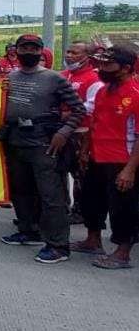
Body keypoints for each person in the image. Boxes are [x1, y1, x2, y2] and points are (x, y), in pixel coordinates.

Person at [0, 34, 86, 264]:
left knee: (51, 196)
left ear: (41, 52)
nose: (28, 51)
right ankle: (29, 231)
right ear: (16, 50)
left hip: (44, 144)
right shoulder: (9, 77)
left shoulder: (54, 79)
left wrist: (63, 133)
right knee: (21, 190)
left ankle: (58, 245)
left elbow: (79, 110)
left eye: (33, 48)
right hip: (15, 140)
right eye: (24, 47)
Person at [71, 46, 139, 269]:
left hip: (123, 160)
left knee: (122, 208)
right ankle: (93, 240)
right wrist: (84, 151)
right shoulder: (102, 91)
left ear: (126, 68)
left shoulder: (135, 94)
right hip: (96, 156)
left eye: (108, 64)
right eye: (101, 63)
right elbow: (94, 124)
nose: (101, 68)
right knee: (91, 199)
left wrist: (129, 170)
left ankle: (122, 253)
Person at [61, 41, 102, 224]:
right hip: (62, 132)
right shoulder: (64, 75)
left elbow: (92, 106)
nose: (69, 55)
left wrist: (69, 113)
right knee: (60, 172)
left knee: (81, 175)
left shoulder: (94, 79)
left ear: (87, 57)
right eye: (68, 51)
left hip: (81, 132)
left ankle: (81, 211)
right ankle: (63, 208)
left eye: (75, 53)